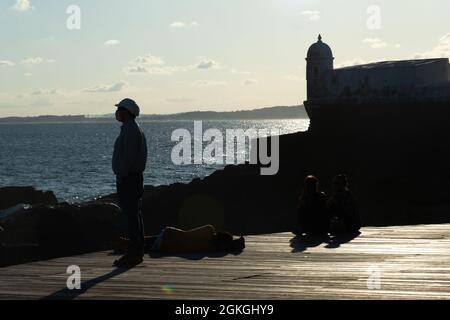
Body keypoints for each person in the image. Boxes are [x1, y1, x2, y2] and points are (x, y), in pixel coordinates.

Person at [112, 98, 148, 268]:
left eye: (119, 109)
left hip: (129, 178)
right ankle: (136, 250)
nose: (117, 112)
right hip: (131, 177)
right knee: (134, 215)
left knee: (132, 216)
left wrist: (122, 174)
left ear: (127, 112)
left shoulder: (131, 130)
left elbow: (128, 157)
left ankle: (134, 253)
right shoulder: (130, 129)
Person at [115, 225, 245, 255]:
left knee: (154, 240)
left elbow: (188, 233)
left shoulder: (209, 230)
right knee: (152, 244)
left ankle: (126, 243)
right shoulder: (209, 248)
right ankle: (126, 244)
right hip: (167, 245)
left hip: (170, 233)